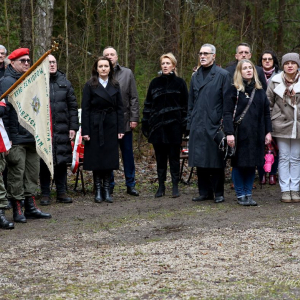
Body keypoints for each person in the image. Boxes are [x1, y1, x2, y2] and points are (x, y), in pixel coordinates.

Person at [1, 48, 51, 223]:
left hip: (31, 136)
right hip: (16, 138)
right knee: (17, 173)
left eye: (28, 61)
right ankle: (17, 208)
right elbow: (4, 112)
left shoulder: (30, 80)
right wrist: (8, 138)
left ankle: (30, 206)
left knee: (32, 173)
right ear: (12, 63)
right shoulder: (7, 82)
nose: (27, 63)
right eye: (22, 61)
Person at [223, 59, 272, 206]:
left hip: (256, 134)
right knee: (239, 164)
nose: (248, 70)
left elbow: (266, 114)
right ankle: (240, 194)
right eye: (245, 68)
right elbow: (227, 113)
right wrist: (229, 133)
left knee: (252, 164)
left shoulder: (260, 91)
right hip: (239, 134)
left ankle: (248, 194)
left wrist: (268, 132)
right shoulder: (233, 90)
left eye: (250, 67)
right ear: (239, 71)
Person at [188, 43, 231, 203]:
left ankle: (218, 192)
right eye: (200, 53)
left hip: (214, 124)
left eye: (206, 53)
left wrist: (224, 124)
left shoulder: (222, 75)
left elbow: (227, 101)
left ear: (214, 56)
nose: (202, 56)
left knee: (216, 160)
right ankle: (204, 192)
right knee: (200, 159)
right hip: (197, 123)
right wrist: (189, 123)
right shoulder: (195, 75)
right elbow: (190, 101)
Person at [142, 53, 188, 198]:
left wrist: (185, 124)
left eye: (168, 63)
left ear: (173, 66)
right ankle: (161, 186)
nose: (165, 66)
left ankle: (175, 185)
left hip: (174, 126)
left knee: (174, 157)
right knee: (160, 159)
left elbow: (185, 105)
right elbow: (148, 104)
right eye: (163, 64)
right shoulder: (154, 83)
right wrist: (145, 123)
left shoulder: (180, 83)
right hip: (157, 127)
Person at [81, 56, 124, 203]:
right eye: (101, 66)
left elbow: (120, 108)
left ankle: (107, 189)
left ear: (110, 68)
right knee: (97, 158)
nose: (104, 68)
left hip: (111, 125)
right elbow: (85, 109)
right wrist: (85, 131)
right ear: (96, 69)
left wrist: (121, 129)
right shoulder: (89, 85)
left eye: (106, 66)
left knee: (109, 158)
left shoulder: (115, 85)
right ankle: (97, 189)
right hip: (95, 125)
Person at [39, 54, 79, 206]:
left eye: (54, 62)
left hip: (62, 128)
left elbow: (73, 107)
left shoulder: (65, 83)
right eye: (49, 62)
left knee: (61, 161)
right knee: (44, 162)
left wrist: (73, 127)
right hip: (45, 130)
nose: (52, 65)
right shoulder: (38, 83)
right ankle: (45, 193)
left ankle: (61, 192)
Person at [103, 46, 139, 197]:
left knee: (127, 155)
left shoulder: (127, 73)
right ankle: (109, 185)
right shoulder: (100, 74)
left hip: (125, 122)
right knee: (110, 155)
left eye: (112, 54)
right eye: (107, 55)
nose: (110, 57)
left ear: (117, 57)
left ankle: (130, 184)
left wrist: (134, 118)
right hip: (107, 123)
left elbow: (134, 97)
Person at [266, 53, 300, 203]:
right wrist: (271, 122)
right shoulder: (274, 81)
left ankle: (295, 189)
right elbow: (268, 104)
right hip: (281, 124)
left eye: (293, 63)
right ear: (283, 65)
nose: (290, 65)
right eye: (287, 63)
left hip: (298, 124)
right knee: (285, 156)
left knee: (296, 158)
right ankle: (285, 190)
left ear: (298, 65)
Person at [257, 50, 281, 185]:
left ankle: (272, 173)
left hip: (276, 115)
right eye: (264, 59)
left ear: (273, 61)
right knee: (260, 145)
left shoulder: (280, 75)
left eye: (269, 59)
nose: (267, 61)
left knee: (275, 147)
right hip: (259, 115)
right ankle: (262, 174)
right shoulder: (255, 74)